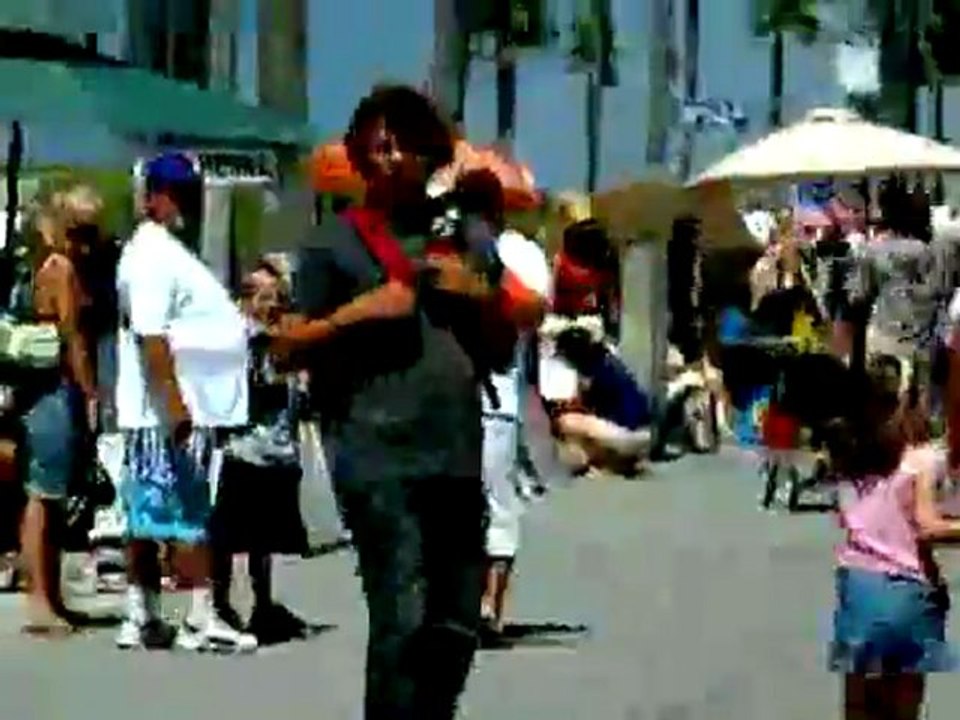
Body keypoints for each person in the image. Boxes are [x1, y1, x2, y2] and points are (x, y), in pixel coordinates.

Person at [273, 84, 542, 719]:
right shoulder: (332, 244)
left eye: (408, 147)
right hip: (376, 456)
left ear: (432, 155)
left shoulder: (464, 238)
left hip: (455, 451)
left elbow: (507, 338)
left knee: (455, 622)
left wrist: (478, 295)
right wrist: (364, 313)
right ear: (362, 157)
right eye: (381, 147)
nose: (394, 159)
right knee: (404, 616)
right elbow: (289, 348)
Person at [114, 153, 256, 652]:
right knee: (185, 514)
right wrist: (176, 411)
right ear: (151, 196)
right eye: (174, 192)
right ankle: (199, 614)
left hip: (154, 408)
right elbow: (152, 338)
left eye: (190, 193)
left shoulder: (162, 251)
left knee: (145, 514)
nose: (183, 202)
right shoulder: (153, 256)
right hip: (164, 410)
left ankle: (143, 613)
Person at [446, 171, 551, 641]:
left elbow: (531, 311)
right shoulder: (444, 248)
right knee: (454, 504)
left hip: (496, 395)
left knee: (496, 502)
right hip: (448, 395)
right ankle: (458, 604)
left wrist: (489, 279)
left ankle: (491, 606)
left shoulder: (519, 255)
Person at [825, 361, 958, 720]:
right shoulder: (921, 460)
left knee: (858, 708)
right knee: (902, 709)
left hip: (859, 589)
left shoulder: (846, 455)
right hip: (909, 595)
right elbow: (928, 527)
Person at [208, 257, 314, 644]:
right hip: (243, 450)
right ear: (246, 300)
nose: (273, 305)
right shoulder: (243, 340)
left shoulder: (284, 339)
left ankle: (263, 605)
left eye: (279, 297)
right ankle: (218, 603)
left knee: (264, 541)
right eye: (265, 297)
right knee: (226, 535)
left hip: (279, 452)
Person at [17, 186, 101, 634]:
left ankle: (49, 594)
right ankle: (40, 600)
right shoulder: (63, 268)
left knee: (48, 495)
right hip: (56, 387)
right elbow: (73, 337)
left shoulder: (39, 265)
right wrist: (90, 393)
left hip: (40, 385)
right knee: (45, 495)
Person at [553, 327, 651, 475]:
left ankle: (591, 463)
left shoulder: (595, 371)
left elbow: (587, 408)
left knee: (566, 422)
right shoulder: (607, 361)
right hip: (641, 433)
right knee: (583, 429)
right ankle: (619, 461)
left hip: (628, 434)